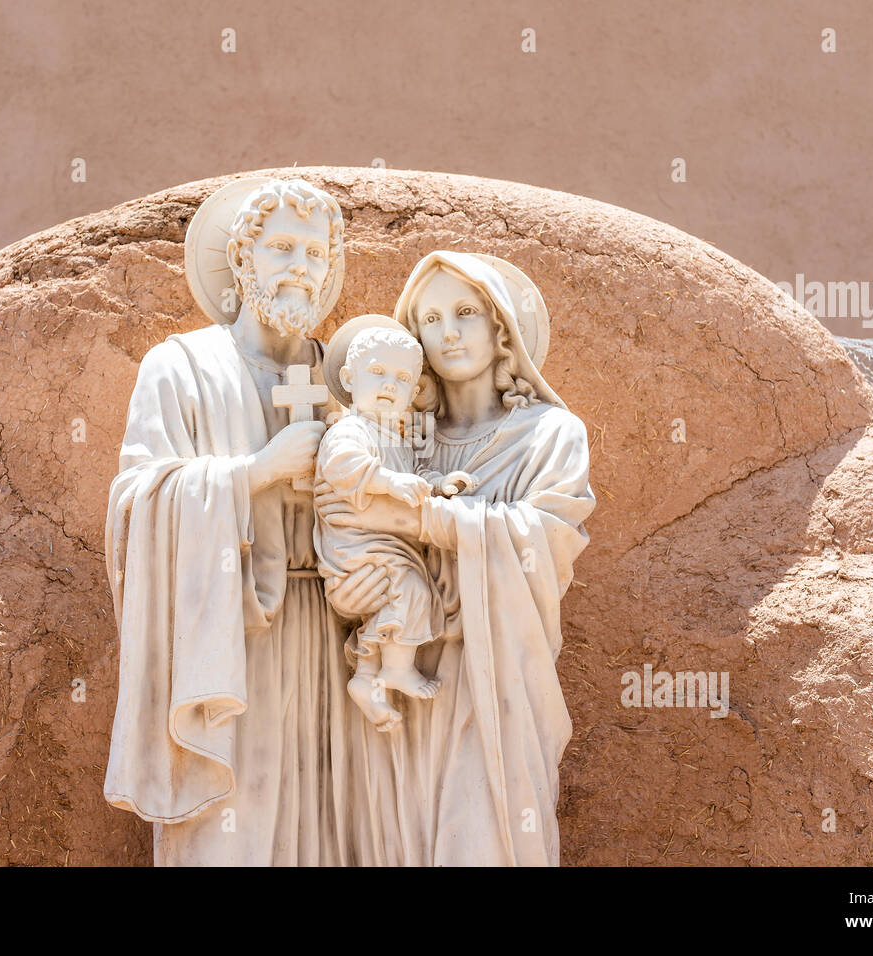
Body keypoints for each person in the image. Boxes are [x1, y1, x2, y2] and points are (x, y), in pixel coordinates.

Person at [103, 178, 381, 865]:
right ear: (242, 259)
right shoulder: (180, 368)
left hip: (332, 632)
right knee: (233, 833)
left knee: (329, 828)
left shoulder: (348, 382)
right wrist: (254, 473)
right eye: (282, 246)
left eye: (317, 254)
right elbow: (137, 505)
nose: (300, 267)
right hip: (230, 639)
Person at [319, 251, 596, 865]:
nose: (448, 331)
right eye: (431, 318)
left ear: (502, 329)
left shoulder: (550, 435)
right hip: (400, 674)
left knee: (486, 839)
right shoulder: (391, 436)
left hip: (492, 673)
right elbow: (338, 503)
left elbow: (545, 540)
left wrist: (425, 518)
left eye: (466, 312)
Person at [314, 317, 446, 732]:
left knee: (398, 601)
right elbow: (342, 467)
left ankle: (368, 679)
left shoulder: (396, 439)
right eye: (377, 373)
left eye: (402, 378)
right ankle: (398, 669)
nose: (390, 384)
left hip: (381, 550)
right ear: (349, 379)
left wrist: (439, 486)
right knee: (410, 590)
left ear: (413, 392)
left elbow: (413, 481)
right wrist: (387, 480)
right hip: (356, 552)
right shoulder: (351, 430)